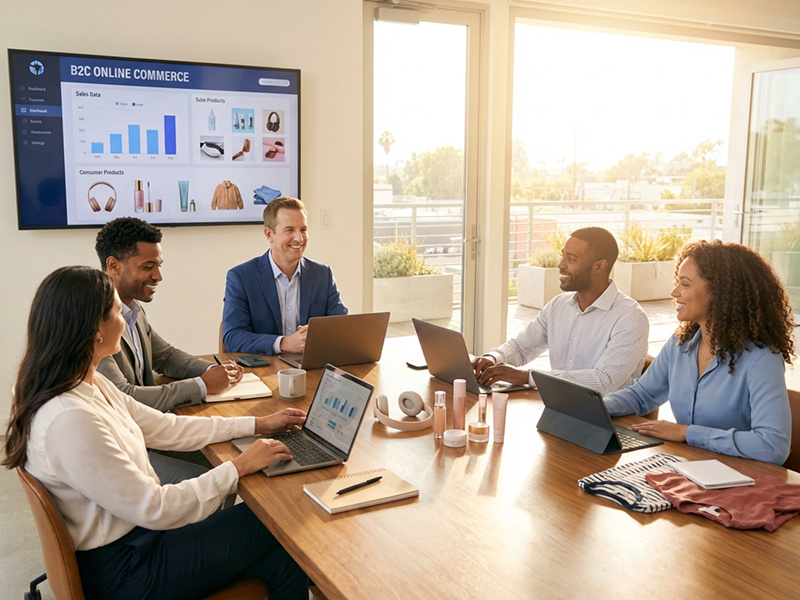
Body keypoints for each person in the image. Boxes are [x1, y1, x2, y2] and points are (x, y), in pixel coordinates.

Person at [2, 266, 309, 599]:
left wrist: (258, 424)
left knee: (281, 557)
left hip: (139, 541)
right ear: (96, 331)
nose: (126, 319)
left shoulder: (85, 382)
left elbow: (163, 427)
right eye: (118, 312)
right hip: (128, 571)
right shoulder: (71, 419)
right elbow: (156, 507)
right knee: (278, 518)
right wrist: (237, 467)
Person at [605, 240, 795, 465]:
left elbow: (772, 446)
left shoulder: (761, 359)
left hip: (741, 480)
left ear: (720, 293)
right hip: (690, 469)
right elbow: (642, 395)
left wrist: (687, 433)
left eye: (684, 284)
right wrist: (597, 407)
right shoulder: (681, 344)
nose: (674, 292)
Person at [472, 227, 649, 394]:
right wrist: (493, 358)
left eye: (571, 259)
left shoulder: (630, 318)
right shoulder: (559, 305)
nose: (560, 265)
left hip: (611, 418)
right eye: (562, 256)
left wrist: (527, 377)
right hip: (560, 407)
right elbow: (521, 347)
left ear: (599, 267)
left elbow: (604, 382)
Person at [95, 217, 243, 413]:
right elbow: (123, 396)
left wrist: (213, 371)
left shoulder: (134, 310)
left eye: (159, 265)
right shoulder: (94, 320)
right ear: (114, 265)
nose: (158, 276)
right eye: (148, 267)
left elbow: (165, 356)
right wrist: (202, 385)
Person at [223, 196, 348, 354]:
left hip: (311, 367)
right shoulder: (241, 277)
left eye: (303, 230)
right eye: (290, 230)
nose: (299, 238)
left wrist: (321, 334)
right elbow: (233, 337)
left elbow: (342, 326)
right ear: (269, 235)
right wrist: (283, 343)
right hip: (264, 369)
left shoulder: (323, 274)